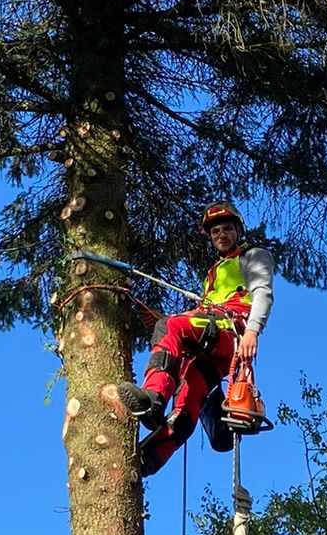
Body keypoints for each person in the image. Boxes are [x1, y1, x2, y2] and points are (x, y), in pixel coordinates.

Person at [102, 202, 275, 477]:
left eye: (227, 229)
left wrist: (252, 330)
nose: (221, 235)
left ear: (238, 231)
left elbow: (263, 293)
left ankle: (153, 398)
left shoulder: (253, 255)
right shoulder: (213, 274)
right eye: (215, 231)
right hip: (215, 349)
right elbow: (198, 320)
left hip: (232, 330)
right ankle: (149, 459)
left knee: (171, 325)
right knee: (187, 398)